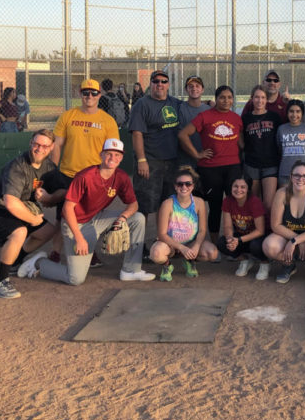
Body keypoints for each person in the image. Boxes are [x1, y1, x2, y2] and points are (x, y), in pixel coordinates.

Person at [20, 139, 154, 284]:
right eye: (109, 154)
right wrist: (79, 238)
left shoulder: (121, 177)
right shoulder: (86, 176)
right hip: (76, 224)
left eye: (117, 155)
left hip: (98, 218)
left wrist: (122, 218)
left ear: (121, 158)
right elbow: (67, 208)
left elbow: (133, 205)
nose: (112, 158)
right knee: (75, 279)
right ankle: (39, 262)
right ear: (101, 155)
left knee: (138, 218)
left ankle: (131, 270)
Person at [0, 129, 60, 298]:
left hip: (18, 210)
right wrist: (33, 220)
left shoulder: (49, 167)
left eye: (45, 146)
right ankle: (0, 282)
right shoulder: (17, 167)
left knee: (49, 231)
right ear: (31, 143)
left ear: (51, 148)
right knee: (19, 232)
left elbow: (62, 190)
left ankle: (15, 262)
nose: (40, 149)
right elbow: (11, 203)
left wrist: (49, 197)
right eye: (36, 144)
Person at [47, 79, 120, 263]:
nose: (89, 96)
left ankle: (90, 251)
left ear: (99, 95)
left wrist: (109, 175)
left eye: (93, 93)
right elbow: (57, 144)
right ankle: (56, 252)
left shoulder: (107, 120)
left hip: (94, 177)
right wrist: (53, 171)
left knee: (91, 217)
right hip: (68, 174)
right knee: (62, 216)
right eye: (86, 92)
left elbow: (113, 152)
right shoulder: (68, 116)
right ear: (80, 94)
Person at [179, 85, 243, 237]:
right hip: (210, 168)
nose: (226, 101)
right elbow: (183, 134)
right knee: (215, 206)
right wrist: (197, 154)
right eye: (222, 97)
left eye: (229, 97)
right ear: (216, 99)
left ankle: (235, 242)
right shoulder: (205, 116)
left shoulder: (236, 118)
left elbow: (241, 143)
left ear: (233, 100)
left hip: (233, 167)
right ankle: (214, 243)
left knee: (235, 205)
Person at [128, 69, 183, 229]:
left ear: (168, 85)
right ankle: (139, 244)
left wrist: (209, 104)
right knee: (143, 205)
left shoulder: (175, 103)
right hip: (150, 161)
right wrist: (141, 160)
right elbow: (137, 134)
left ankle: (162, 239)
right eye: (156, 81)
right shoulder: (142, 104)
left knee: (166, 204)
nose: (160, 84)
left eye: (163, 81)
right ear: (151, 84)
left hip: (171, 161)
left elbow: (192, 107)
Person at [263, 160, 305, 285]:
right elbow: (276, 225)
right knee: (269, 246)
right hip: (289, 235)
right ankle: (288, 265)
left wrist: (297, 241)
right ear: (291, 176)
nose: (301, 179)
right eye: (297, 175)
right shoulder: (281, 193)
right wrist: (297, 240)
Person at [148, 166, 219, 280]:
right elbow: (162, 234)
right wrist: (181, 248)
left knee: (212, 253)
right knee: (156, 254)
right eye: (180, 184)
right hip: (170, 245)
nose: (184, 187)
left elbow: (202, 230)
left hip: (190, 243)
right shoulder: (167, 204)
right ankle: (167, 265)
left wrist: (195, 246)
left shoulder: (199, 202)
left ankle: (189, 261)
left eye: (188, 184)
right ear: (175, 186)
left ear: (193, 186)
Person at [219, 173, 270, 280]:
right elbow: (227, 226)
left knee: (255, 245)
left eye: (243, 187)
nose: (238, 190)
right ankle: (244, 260)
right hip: (241, 236)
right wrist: (230, 239)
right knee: (222, 243)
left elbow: (260, 231)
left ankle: (265, 263)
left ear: (248, 189)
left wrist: (238, 240)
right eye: (235, 186)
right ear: (231, 187)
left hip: (258, 236)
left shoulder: (254, 202)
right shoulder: (227, 201)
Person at [240, 85, 282, 203]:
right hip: (252, 164)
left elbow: (279, 138)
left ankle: (268, 222)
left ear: (267, 99)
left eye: (263, 97)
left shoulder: (274, 117)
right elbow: (239, 135)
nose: (260, 100)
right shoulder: (246, 118)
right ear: (252, 99)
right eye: (257, 97)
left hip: (270, 164)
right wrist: (243, 146)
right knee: (254, 202)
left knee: (269, 203)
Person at [177, 75, 212, 170]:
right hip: (186, 161)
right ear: (186, 89)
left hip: (206, 160)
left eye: (197, 86)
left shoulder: (209, 110)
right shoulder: (180, 109)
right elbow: (181, 138)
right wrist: (196, 155)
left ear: (202, 89)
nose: (194, 88)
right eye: (191, 86)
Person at [276, 99, 305, 187]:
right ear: (287, 112)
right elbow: (279, 149)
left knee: (302, 199)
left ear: (302, 113)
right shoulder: (281, 129)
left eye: (298, 111)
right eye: (291, 111)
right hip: (285, 172)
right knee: (285, 199)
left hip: (303, 174)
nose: (294, 115)